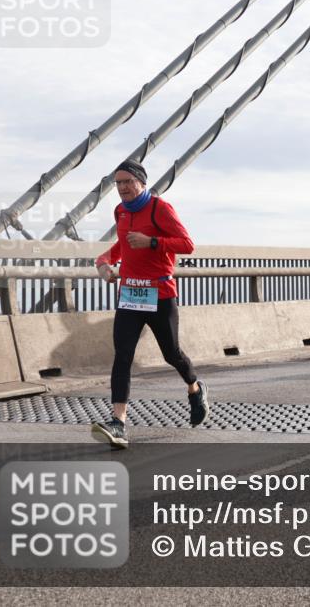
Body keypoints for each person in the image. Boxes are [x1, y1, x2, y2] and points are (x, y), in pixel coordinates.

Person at [91, 161, 207, 448]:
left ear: (141, 182)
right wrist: (104, 262)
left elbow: (187, 244)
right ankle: (118, 423)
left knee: (172, 354)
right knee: (123, 356)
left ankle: (195, 388)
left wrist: (152, 242)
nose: (122, 188)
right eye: (117, 183)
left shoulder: (160, 209)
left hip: (160, 294)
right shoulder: (120, 211)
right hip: (130, 295)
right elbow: (122, 245)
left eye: (128, 181)